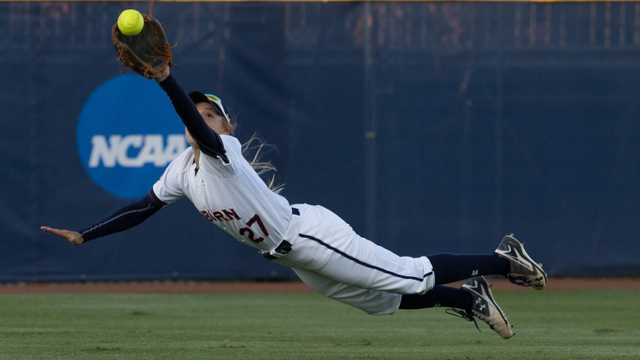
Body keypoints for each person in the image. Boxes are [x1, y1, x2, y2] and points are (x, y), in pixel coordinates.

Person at [41, 65, 547, 339]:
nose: (200, 119)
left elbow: (198, 129)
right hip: (293, 257)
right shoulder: (181, 170)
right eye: (195, 114)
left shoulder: (224, 152)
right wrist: (86, 234)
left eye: (209, 114)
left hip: (308, 236)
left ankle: (502, 261)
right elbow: (140, 209)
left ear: (225, 125)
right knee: (383, 301)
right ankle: (469, 296)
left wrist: (166, 80)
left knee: (410, 273)